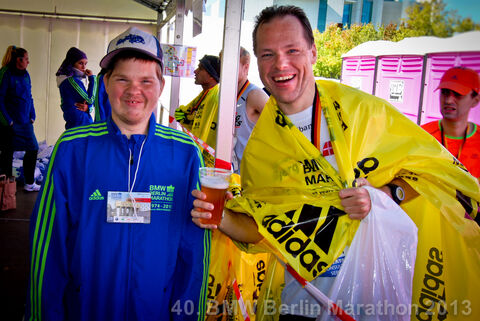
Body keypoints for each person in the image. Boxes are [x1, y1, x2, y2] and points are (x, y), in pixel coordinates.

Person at [191, 5, 480, 321]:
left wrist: (385, 195)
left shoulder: (361, 112)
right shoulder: (261, 147)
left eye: (292, 50)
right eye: (268, 54)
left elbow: (432, 172)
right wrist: (221, 219)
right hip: (299, 302)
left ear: (313, 53)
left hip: (368, 302)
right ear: (258, 62)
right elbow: (265, 229)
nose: (280, 64)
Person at [26, 27, 210, 321]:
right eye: (123, 78)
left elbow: (194, 251)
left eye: (146, 81)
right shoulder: (73, 149)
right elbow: (48, 247)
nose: (134, 91)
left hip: (156, 311)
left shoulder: (184, 153)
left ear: (160, 86)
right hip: (85, 310)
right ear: (106, 83)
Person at [421, 67, 480, 178]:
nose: (448, 100)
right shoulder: (421, 135)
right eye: (445, 92)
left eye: (458, 94)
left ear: (475, 100)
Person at [0, 45, 40, 192]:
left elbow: (29, 96)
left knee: (33, 148)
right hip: (10, 123)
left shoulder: (26, 74)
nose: (28, 62)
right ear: (18, 60)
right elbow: (0, 99)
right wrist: (8, 121)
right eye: (26, 59)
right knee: (6, 154)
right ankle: (5, 189)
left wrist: (33, 114)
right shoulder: (6, 73)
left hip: (25, 122)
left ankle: (29, 183)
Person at [174, 54, 220, 167]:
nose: (195, 71)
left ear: (211, 75)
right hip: (197, 158)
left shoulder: (215, 98)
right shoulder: (206, 94)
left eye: (200, 68)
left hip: (207, 164)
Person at [232, 47, 269, 174]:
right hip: (231, 175)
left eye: (231, 64)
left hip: (250, 177)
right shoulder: (226, 97)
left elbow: (281, 132)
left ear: (245, 67)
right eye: (222, 63)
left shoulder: (255, 95)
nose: (224, 69)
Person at [56, 47, 96, 129]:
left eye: (85, 64)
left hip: (78, 122)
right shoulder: (71, 81)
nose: (84, 67)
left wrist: (88, 108)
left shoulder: (68, 80)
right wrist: (92, 79)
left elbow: (89, 104)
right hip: (80, 123)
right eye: (80, 63)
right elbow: (90, 100)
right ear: (72, 63)